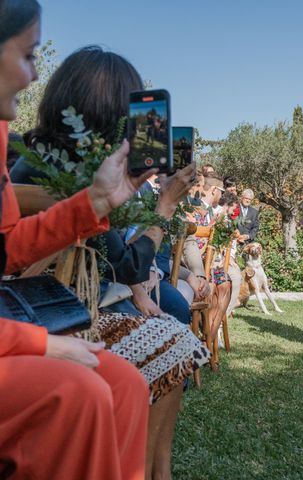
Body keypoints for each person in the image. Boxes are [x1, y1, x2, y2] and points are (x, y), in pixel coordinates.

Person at [12, 45, 210, 478]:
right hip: (53, 311)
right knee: (174, 330)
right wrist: (165, 204)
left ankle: (155, 469)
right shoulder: (63, 176)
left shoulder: (43, 160)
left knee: (173, 324)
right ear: (108, 115)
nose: (140, 131)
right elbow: (127, 266)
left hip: (67, 304)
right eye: (134, 116)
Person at [0, 2, 149, 478]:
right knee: (79, 391)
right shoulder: (36, 163)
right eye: (27, 55)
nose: (31, 76)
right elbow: (126, 267)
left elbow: (7, 248)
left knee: (124, 383)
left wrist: (97, 204)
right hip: (28, 321)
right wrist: (37, 344)